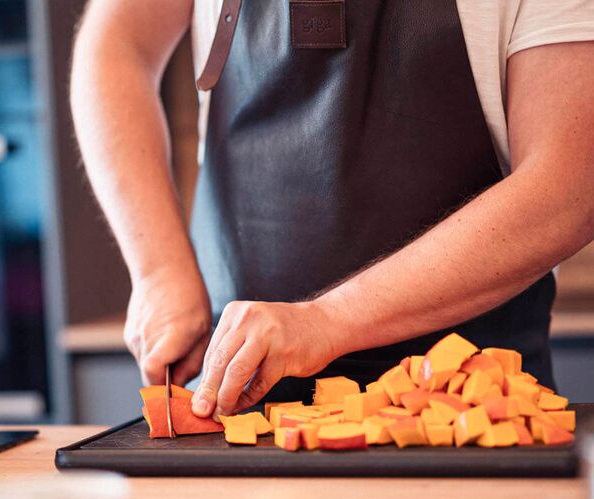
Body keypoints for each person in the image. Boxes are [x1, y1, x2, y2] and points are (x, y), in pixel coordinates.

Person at [71, 0, 594, 420]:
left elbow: (569, 187)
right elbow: (118, 43)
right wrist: (158, 270)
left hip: (466, 413)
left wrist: (327, 322)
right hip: (234, 417)